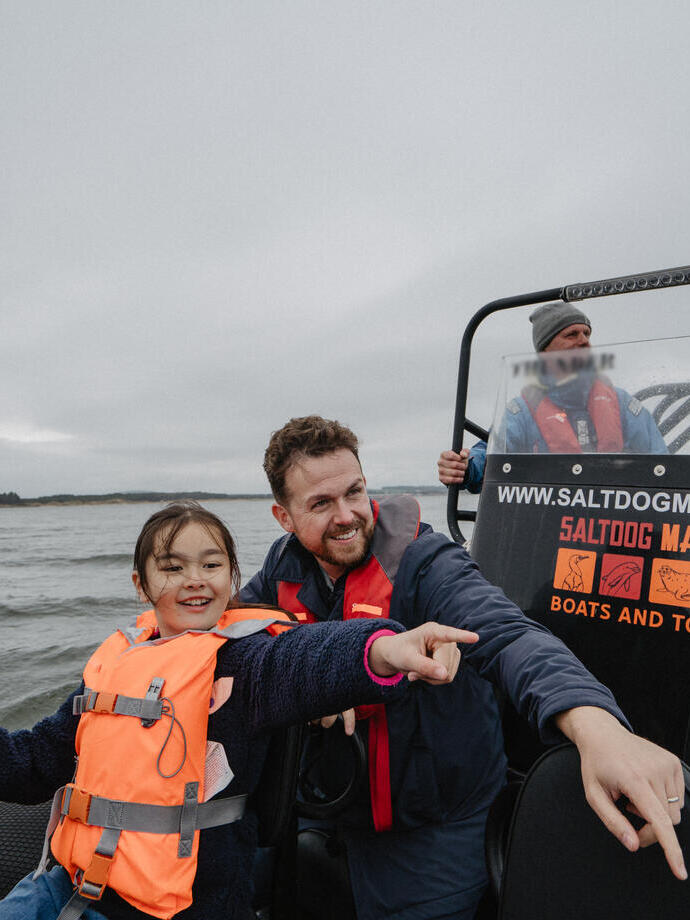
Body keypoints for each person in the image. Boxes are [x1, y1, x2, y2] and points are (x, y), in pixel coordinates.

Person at [241, 415, 686, 920]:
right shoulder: (279, 572)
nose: (346, 515)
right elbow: (230, 641)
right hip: (327, 812)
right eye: (321, 504)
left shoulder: (427, 562)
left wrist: (599, 729)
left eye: (355, 492)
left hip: (433, 830)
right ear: (284, 517)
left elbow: (510, 636)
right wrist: (313, 674)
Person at [0, 500, 475, 920]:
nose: (194, 580)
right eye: (171, 567)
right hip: (66, 885)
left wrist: (384, 648)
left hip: (182, 905)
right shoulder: (112, 663)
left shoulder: (244, 663)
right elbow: (37, 759)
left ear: (232, 578)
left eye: (211, 565)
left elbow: (307, 660)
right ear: (141, 585)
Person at [437, 301, 667, 491]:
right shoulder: (521, 413)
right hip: (549, 530)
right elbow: (490, 454)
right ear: (545, 350)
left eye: (587, 334)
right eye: (571, 335)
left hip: (617, 528)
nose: (584, 340)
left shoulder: (622, 403)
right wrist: (465, 467)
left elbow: (662, 465)